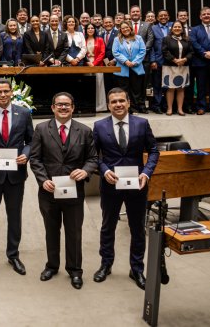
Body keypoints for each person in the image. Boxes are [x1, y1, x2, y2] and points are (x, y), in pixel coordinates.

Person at [28, 92, 98, 289]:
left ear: (73, 108)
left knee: (74, 232)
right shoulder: (41, 129)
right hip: (49, 192)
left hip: (74, 192)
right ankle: (52, 265)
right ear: (52, 108)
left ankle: (75, 270)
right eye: (59, 105)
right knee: (51, 231)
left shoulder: (84, 131)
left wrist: (85, 171)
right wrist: (43, 180)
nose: (63, 108)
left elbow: (93, 159)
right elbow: (35, 159)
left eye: (67, 105)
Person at [92, 88, 160, 290]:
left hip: (136, 186)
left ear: (129, 102)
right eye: (114, 102)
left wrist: (146, 173)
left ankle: (137, 269)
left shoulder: (142, 123)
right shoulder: (99, 126)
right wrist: (104, 171)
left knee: (138, 229)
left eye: (122, 100)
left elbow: (154, 151)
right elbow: (94, 156)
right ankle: (106, 265)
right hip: (110, 185)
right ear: (108, 105)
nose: (118, 104)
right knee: (107, 227)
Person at [0, 78, 34, 275]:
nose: (3, 95)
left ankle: (13, 254)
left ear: (12, 92)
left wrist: (26, 154)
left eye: (6, 91)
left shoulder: (24, 113)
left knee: (15, 216)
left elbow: (31, 141)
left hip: (15, 175)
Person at [112, 21, 147, 113]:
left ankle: (134, 108)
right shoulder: (117, 39)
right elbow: (115, 52)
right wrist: (126, 61)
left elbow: (142, 51)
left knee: (136, 90)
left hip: (136, 68)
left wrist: (134, 62)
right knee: (124, 91)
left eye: (127, 27)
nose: (125, 29)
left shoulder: (138, 38)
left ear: (130, 28)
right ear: (120, 30)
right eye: (123, 28)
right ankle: (126, 109)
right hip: (123, 68)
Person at [162, 21, 193, 116]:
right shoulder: (166, 39)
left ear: (182, 29)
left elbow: (191, 52)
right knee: (170, 88)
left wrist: (184, 59)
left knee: (181, 88)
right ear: (171, 29)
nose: (177, 28)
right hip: (170, 66)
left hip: (183, 66)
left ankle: (180, 109)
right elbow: (165, 51)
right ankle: (170, 109)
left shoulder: (187, 39)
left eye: (179, 27)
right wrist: (174, 60)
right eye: (175, 27)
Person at [149, 10, 172, 112]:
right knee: (157, 85)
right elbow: (152, 46)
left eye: (165, 15)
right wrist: (153, 60)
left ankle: (167, 105)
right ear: (157, 18)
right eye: (161, 16)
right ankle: (157, 105)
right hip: (158, 61)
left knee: (169, 85)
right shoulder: (153, 28)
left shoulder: (173, 26)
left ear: (168, 17)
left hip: (172, 61)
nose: (163, 17)